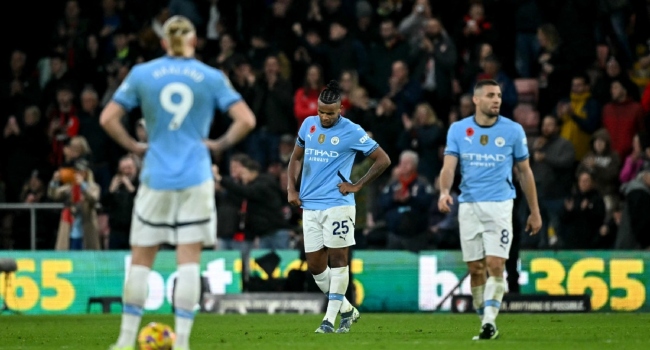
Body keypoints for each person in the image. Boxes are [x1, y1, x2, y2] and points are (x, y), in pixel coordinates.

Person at [99, 16, 256, 350]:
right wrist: (218, 144)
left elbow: (107, 118)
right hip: (196, 178)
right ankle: (182, 343)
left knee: (141, 260)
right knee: (189, 262)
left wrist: (133, 146)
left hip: (155, 176)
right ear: (195, 41)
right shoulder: (211, 77)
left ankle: (125, 341)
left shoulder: (142, 73)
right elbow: (246, 119)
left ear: (163, 43)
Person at [438, 79, 542, 340]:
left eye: (498, 95)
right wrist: (443, 192)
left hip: (500, 205)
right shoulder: (458, 130)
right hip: (469, 205)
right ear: (476, 100)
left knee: (496, 264)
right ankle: (483, 312)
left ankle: (489, 322)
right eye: (490, 95)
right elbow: (449, 167)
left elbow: (525, 172)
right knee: (476, 269)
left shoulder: (513, 131)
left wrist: (534, 211)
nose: (497, 100)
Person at [287, 80, 391, 333]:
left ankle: (328, 319)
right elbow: (295, 157)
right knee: (314, 265)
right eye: (321, 111)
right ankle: (347, 309)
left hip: (338, 204)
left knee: (338, 259)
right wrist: (292, 188)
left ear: (341, 109)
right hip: (310, 206)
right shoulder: (308, 125)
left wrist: (357, 185)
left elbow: (383, 159)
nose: (324, 117)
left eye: (330, 113)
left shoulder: (353, 131)